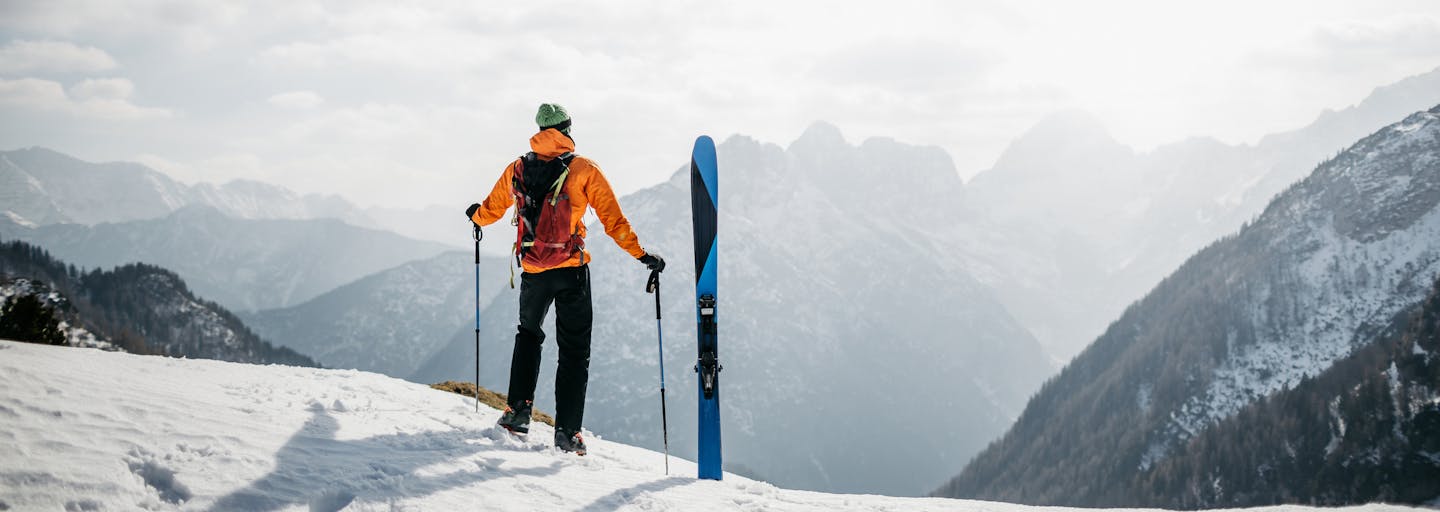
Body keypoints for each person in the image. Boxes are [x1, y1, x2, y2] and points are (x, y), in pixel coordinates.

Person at [466, 103, 665, 455]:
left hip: (533, 271)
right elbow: (613, 221)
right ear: (567, 129)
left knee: (528, 337)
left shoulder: (517, 168)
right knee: (574, 352)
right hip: (571, 270)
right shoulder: (583, 169)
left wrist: (476, 218)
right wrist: (642, 255)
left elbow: (493, 208)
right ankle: (567, 433)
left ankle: (517, 414)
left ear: (540, 131)